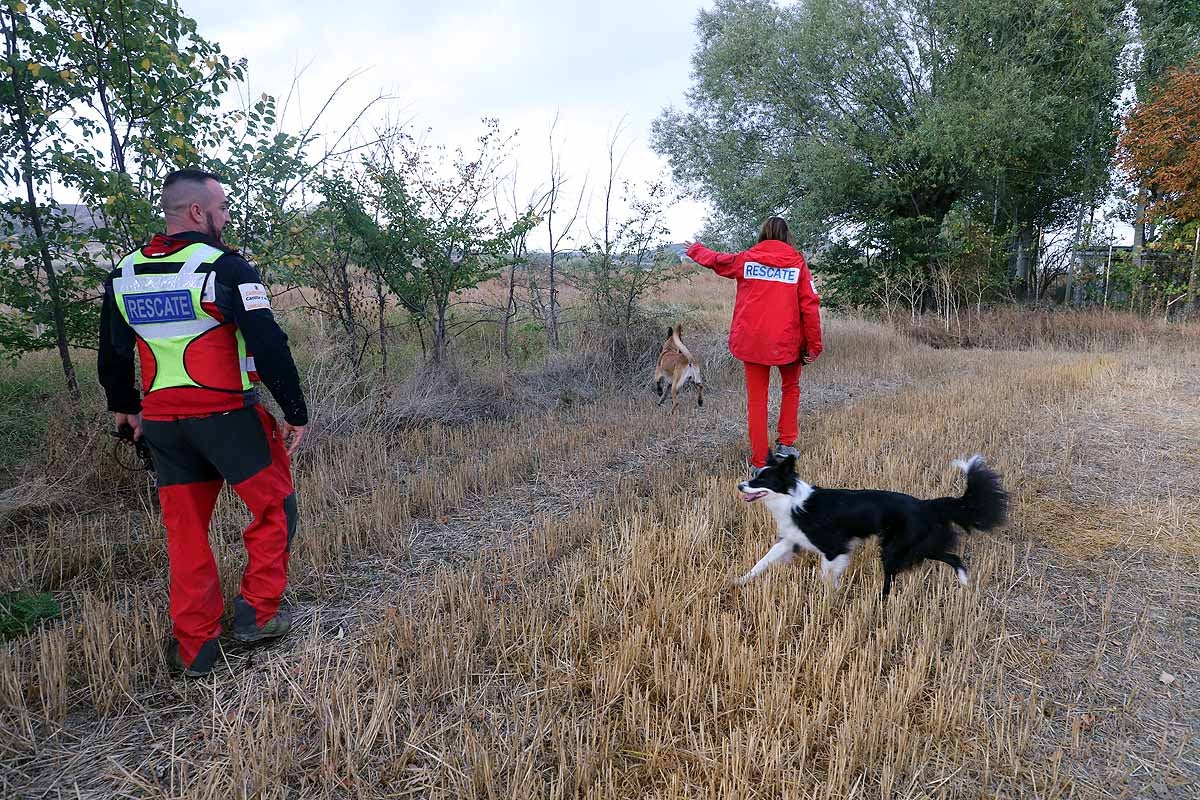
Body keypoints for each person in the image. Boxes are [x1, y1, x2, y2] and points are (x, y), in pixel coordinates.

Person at [98, 168, 308, 678]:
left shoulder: (124, 273)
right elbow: (268, 344)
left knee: (186, 535)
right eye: (223, 208)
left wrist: (125, 405)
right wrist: (295, 411)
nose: (227, 216)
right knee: (275, 508)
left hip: (166, 425)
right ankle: (257, 617)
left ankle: (195, 648)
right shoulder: (225, 268)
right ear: (198, 212)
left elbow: (112, 349)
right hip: (229, 420)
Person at [685, 216, 823, 473]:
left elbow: (719, 261)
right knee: (791, 388)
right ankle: (786, 444)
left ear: (764, 234)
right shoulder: (797, 264)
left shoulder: (748, 259)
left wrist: (695, 249)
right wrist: (814, 345)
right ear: (786, 236)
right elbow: (810, 305)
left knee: (757, 400)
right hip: (787, 342)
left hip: (753, 341)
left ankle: (761, 463)